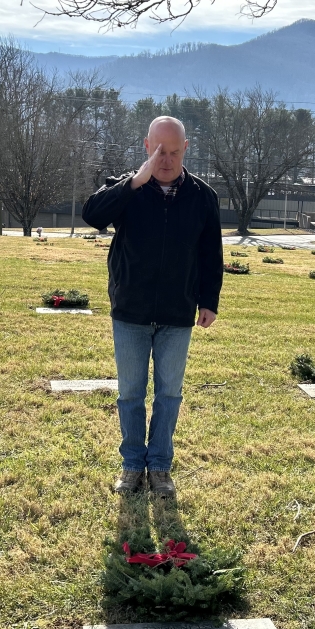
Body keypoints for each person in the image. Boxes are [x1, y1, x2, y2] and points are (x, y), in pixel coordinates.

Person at [82, 116, 223, 497]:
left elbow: (212, 253)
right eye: (160, 151)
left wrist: (208, 301)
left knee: (169, 395)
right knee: (130, 394)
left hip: (178, 315)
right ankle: (132, 466)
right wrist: (134, 184)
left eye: (175, 152)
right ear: (147, 147)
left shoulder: (203, 196)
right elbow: (91, 214)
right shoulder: (127, 188)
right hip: (130, 311)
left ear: (186, 148)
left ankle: (160, 466)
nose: (167, 160)